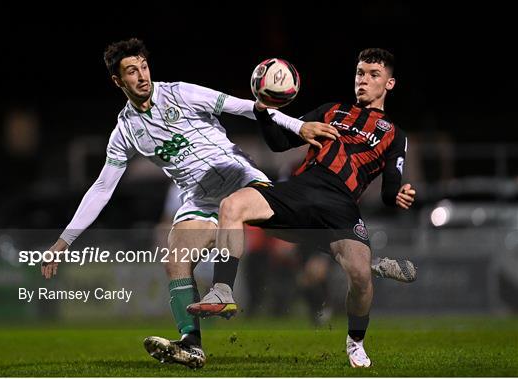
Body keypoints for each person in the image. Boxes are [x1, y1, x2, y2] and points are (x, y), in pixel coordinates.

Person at [39, 38, 338, 369]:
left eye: (143, 67)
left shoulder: (180, 92)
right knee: (176, 256)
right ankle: (191, 344)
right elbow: (101, 188)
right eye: (131, 71)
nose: (141, 76)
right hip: (200, 198)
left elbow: (245, 106)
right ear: (117, 81)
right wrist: (64, 241)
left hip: (238, 178)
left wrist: (298, 125)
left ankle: (355, 247)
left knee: (302, 234)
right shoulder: (125, 131)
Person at [188, 48, 417, 368]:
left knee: (360, 276)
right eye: (360, 73)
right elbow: (280, 142)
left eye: (373, 75)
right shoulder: (332, 111)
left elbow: (389, 189)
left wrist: (398, 196)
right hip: (301, 190)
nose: (363, 80)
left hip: (341, 205)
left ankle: (355, 342)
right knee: (232, 205)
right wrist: (264, 110)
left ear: (389, 84)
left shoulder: (394, 134)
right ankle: (222, 290)